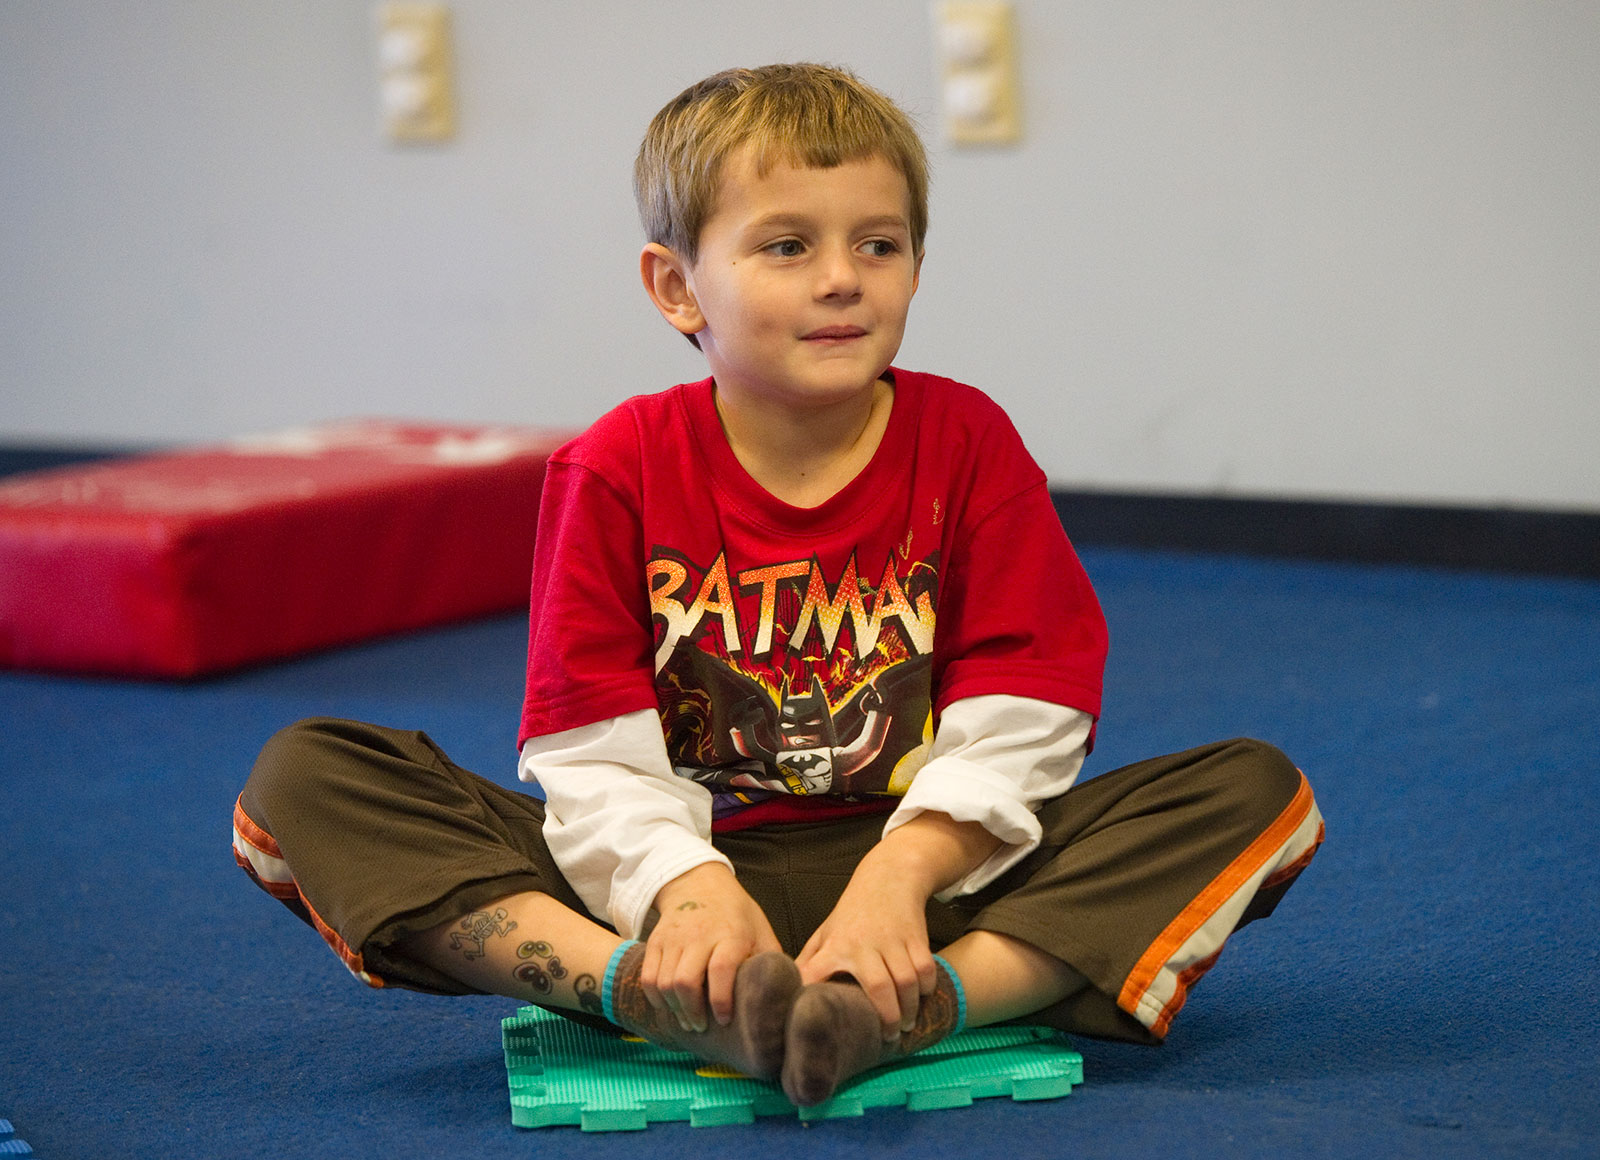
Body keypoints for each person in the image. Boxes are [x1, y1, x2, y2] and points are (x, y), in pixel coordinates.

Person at [233, 62, 1324, 1109]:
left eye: (879, 244)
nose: (843, 276)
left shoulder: (968, 442)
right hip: (667, 880)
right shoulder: (614, 467)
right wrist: (685, 890)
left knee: (1255, 793)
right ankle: (662, 996)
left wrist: (902, 876)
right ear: (676, 286)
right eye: (788, 244)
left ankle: (910, 1004)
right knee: (305, 779)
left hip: (924, 875)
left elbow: (1027, 709)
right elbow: (589, 749)